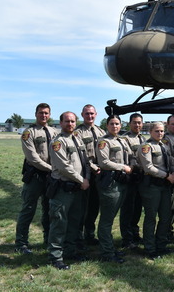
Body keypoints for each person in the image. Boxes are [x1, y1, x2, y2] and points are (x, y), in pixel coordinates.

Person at [47, 112, 90, 270]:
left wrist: (88, 175)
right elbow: (64, 167)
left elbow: (84, 161)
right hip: (63, 189)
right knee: (59, 223)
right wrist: (82, 180)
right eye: (67, 121)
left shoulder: (77, 139)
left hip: (77, 189)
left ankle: (70, 251)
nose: (70, 124)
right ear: (61, 122)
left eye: (72, 121)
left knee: (74, 222)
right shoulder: (58, 142)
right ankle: (55, 256)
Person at [15, 103, 58, 255]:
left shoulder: (54, 131)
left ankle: (48, 239)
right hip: (35, 177)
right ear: (36, 114)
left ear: (49, 114)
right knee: (28, 210)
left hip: (50, 178)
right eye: (41, 113)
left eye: (46, 113)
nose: (44, 116)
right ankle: (21, 243)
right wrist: (52, 169)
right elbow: (33, 158)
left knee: (49, 210)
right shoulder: (29, 133)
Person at [137, 121, 174, 260]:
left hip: (165, 186)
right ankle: (150, 248)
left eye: (161, 131)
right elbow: (148, 167)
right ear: (150, 131)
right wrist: (167, 175)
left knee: (166, 217)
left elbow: (171, 162)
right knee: (151, 217)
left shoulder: (164, 146)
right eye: (157, 131)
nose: (160, 133)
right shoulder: (146, 147)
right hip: (152, 186)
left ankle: (161, 245)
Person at [96, 115, 133, 263]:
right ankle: (106, 253)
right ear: (107, 125)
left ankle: (110, 248)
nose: (115, 126)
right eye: (112, 124)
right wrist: (122, 167)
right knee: (107, 219)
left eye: (117, 124)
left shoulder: (121, 141)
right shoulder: (103, 142)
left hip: (121, 181)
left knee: (111, 218)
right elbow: (104, 162)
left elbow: (130, 155)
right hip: (110, 182)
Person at [74, 104, 105, 246]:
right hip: (85, 173)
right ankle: (78, 237)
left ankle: (90, 235)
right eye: (87, 114)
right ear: (82, 115)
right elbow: (80, 154)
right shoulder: (77, 133)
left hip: (99, 174)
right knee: (82, 207)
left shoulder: (100, 131)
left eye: (92, 114)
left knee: (94, 206)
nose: (90, 116)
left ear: (96, 114)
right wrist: (92, 167)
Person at [119, 113, 145, 249]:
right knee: (128, 209)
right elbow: (130, 157)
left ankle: (135, 234)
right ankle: (127, 239)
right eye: (135, 122)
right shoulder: (125, 139)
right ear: (130, 124)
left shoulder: (143, 138)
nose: (137, 125)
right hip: (130, 178)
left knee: (137, 208)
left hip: (140, 178)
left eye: (139, 122)